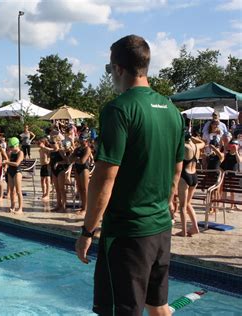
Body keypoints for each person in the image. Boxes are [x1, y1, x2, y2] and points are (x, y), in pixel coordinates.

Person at [75, 35, 185, 316]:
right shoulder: (172, 111)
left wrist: (88, 231)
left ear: (119, 69)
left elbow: (104, 178)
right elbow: (177, 166)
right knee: (158, 306)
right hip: (160, 228)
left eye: (109, 68)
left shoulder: (119, 109)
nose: (111, 74)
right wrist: (169, 197)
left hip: (127, 234)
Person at [175, 134, 205, 237]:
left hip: (185, 176)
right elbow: (203, 143)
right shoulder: (197, 146)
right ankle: (195, 227)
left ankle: (183, 231)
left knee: (182, 206)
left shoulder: (184, 146)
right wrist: (193, 138)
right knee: (188, 204)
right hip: (194, 176)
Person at [70, 133, 92, 215]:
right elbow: (69, 159)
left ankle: (85, 208)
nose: (80, 140)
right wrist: (77, 158)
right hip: (77, 169)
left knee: (85, 189)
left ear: (86, 140)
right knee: (80, 189)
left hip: (84, 169)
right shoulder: (77, 149)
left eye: (82, 139)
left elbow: (83, 161)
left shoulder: (87, 149)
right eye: (80, 138)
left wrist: (75, 158)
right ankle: (83, 206)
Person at [3, 137, 24, 214]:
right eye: (9, 147)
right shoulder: (11, 153)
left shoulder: (20, 153)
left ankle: (20, 208)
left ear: (16, 145)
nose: (10, 148)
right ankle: (12, 206)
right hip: (10, 171)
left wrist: (6, 163)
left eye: (11, 147)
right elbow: (8, 161)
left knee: (18, 191)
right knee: (12, 191)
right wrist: (6, 166)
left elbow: (17, 164)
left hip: (17, 172)